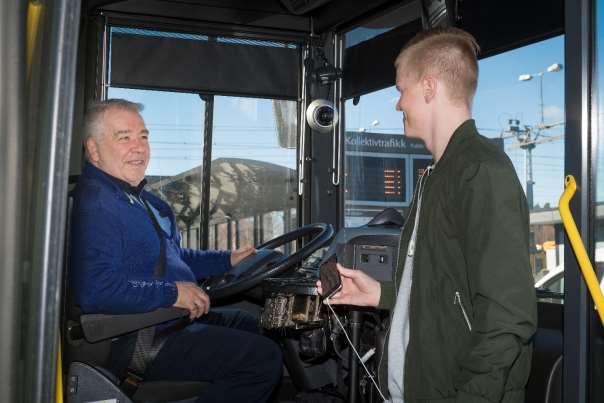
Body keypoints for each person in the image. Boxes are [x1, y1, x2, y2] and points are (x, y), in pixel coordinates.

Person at [318, 27, 537, 403]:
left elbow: (507, 317)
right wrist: (383, 294)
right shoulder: (436, 176)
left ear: (429, 87)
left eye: (402, 89)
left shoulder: (481, 172)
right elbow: (449, 295)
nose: (398, 103)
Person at [70, 98, 282, 403]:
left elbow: (174, 258)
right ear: (93, 149)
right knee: (262, 360)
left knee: (251, 323)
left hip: (165, 320)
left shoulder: (135, 198)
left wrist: (227, 259)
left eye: (143, 136)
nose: (139, 146)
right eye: (124, 137)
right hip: (139, 337)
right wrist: (173, 293)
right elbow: (95, 289)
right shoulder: (96, 203)